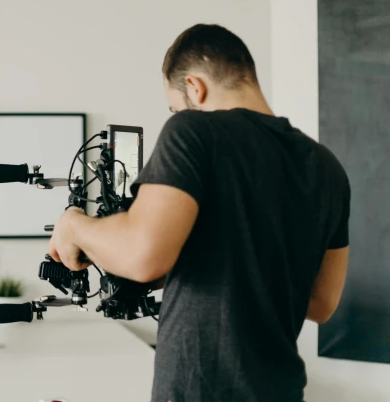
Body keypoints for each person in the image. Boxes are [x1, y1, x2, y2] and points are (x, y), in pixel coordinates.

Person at [49, 24, 350, 402]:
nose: (176, 114)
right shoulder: (326, 167)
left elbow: (142, 256)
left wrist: (73, 224)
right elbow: (321, 303)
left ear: (195, 87)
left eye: (174, 106)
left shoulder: (193, 131)